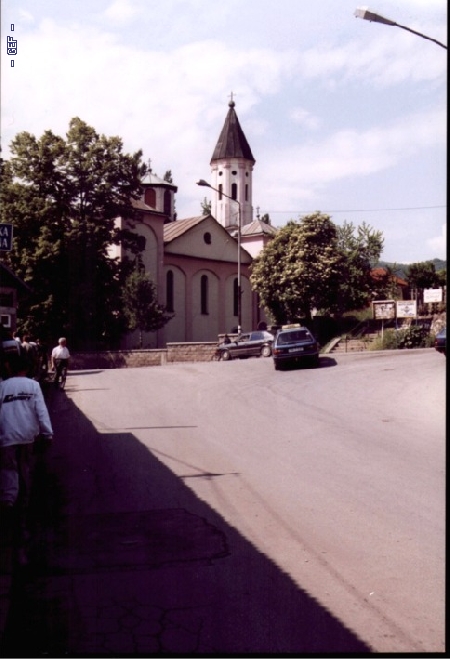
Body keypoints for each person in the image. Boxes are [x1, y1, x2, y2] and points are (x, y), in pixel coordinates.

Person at [0, 351, 53, 565]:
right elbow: (41, 411)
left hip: (7, 437)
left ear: (9, 368)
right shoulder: (33, 386)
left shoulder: (2, 387)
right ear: (26, 368)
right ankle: (20, 511)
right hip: (27, 436)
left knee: (8, 472)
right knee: (24, 472)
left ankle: (8, 504)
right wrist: (47, 433)